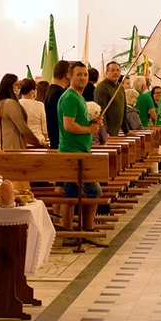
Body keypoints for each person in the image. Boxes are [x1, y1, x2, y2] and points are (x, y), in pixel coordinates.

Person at [57, 61, 106, 247]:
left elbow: (79, 121)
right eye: (79, 74)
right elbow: (69, 126)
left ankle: (77, 232)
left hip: (80, 151)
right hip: (71, 152)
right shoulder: (69, 97)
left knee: (73, 192)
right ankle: (78, 232)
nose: (83, 78)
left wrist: (91, 121)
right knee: (90, 191)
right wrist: (89, 130)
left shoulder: (78, 97)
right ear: (70, 76)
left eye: (85, 74)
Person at [0, 73, 42, 149]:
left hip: (5, 145)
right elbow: (23, 129)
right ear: (9, 87)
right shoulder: (10, 103)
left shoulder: (1, 102)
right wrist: (37, 142)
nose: (19, 87)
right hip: (13, 146)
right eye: (17, 85)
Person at [95, 61, 129, 136]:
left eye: (117, 70)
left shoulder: (120, 88)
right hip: (107, 132)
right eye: (112, 70)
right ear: (106, 73)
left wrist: (126, 130)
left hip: (116, 131)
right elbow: (101, 110)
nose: (115, 72)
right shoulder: (102, 87)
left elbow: (124, 108)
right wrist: (105, 132)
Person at [44, 60, 71, 149]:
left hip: (54, 139)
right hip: (61, 142)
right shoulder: (61, 93)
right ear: (67, 75)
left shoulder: (50, 90)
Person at [19, 78, 48, 145]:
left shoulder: (17, 104)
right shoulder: (40, 105)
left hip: (22, 142)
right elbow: (44, 129)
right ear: (32, 91)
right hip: (39, 140)